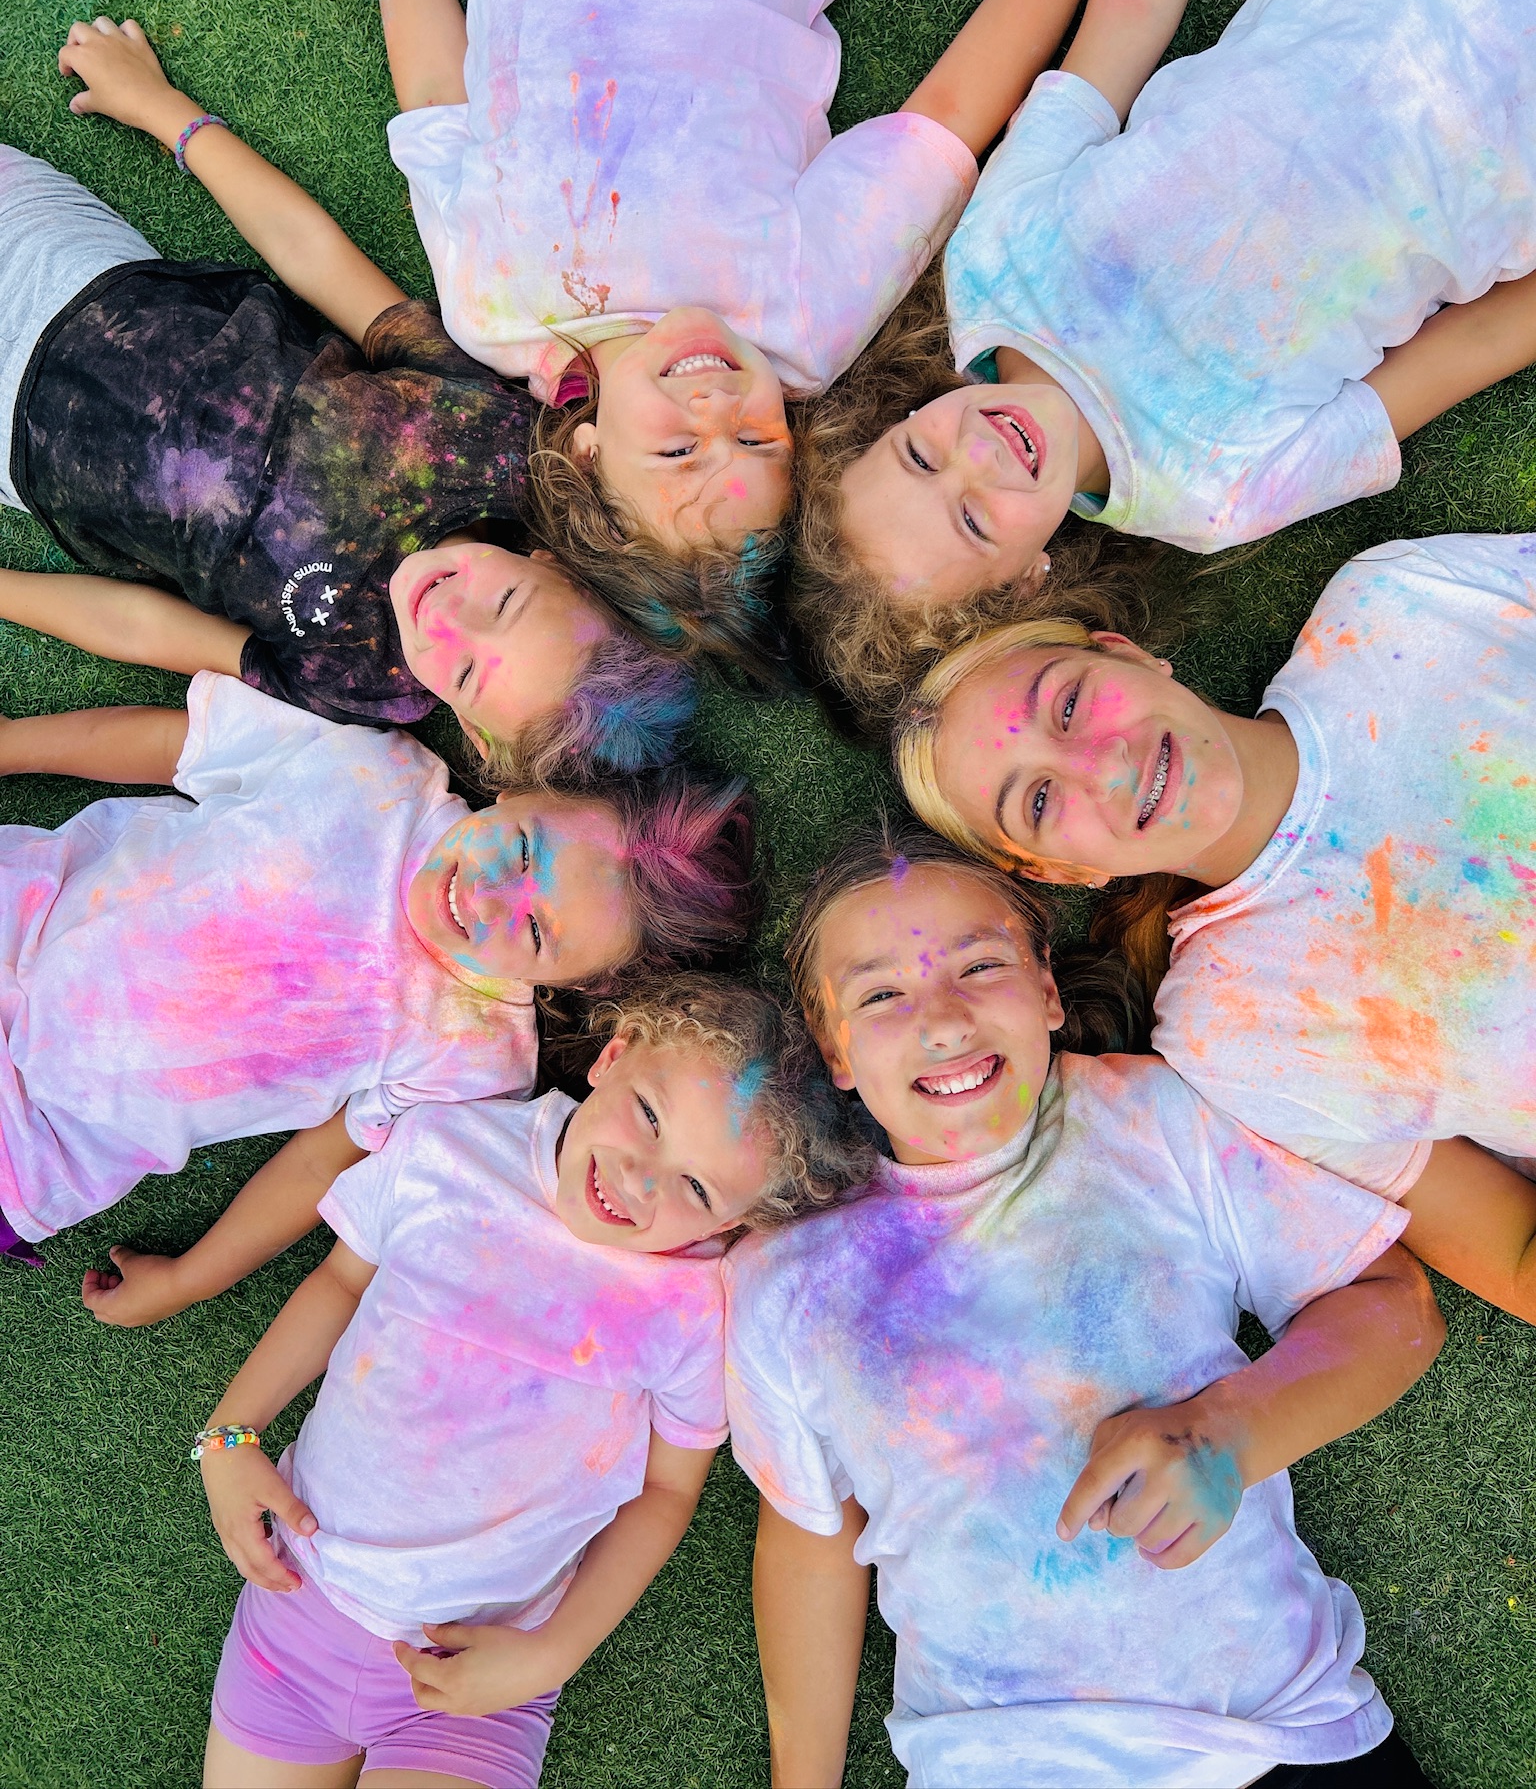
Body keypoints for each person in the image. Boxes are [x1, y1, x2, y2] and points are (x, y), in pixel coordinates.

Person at [365, 0, 1181, 667]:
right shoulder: (800, 321)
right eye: (755, 438)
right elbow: (949, 116)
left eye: (679, 454)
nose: (717, 405)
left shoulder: (491, 309)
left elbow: (438, 101)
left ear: (586, 457)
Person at [804, 0, 1536, 722]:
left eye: (920, 458)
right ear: (1030, 583)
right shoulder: (1216, 491)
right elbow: (1472, 346)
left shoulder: (995, 264)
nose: (977, 455)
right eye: (975, 520)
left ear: (889, 422)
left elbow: (1132, 17)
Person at [727, 820, 1442, 1788]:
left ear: (1049, 988)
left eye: (979, 966)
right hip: (995, 1759)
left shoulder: (1149, 1120)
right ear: (835, 1049)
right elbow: (813, 1530)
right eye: (882, 993)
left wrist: (1231, 1431)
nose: (942, 1021)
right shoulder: (785, 1280)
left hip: (1272, 1736)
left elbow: (1389, 1302)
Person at [196, 975, 860, 1789]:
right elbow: (339, 1284)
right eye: (649, 1116)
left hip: (482, 1678)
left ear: (732, 1225)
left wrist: (557, 1649)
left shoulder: (696, 1308)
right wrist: (231, 1434)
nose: (639, 1179)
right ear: (612, 1057)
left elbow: (666, 1492)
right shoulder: (449, 1149)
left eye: (696, 1187)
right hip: (296, 1608)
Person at [0, 18, 697, 784]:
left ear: (472, 733)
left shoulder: (360, 685)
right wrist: (166, 110)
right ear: (553, 563)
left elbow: (149, 626)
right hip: (73, 276)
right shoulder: (491, 440)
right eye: (503, 605)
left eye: (466, 676)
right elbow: (315, 257)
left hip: (19, 450)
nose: (448, 621)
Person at [895, 531, 1536, 1327]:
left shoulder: (1397, 606)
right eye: (1039, 801)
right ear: (1060, 872)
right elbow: (1515, 1248)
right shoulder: (1233, 1039)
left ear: (1128, 653)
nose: (1103, 765)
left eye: (1069, 704)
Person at [0, 673, 754, 1312]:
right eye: (524, 851)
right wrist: (12, 745)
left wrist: (193, 1279)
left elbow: (313, 1164)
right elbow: (185, 747)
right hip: (23, 913)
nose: (489, 897)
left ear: (582, 983)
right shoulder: (382, 776)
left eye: (534, 935)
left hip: (41, 1133)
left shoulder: (477, 1053)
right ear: (525, 791)